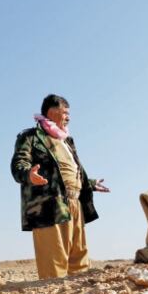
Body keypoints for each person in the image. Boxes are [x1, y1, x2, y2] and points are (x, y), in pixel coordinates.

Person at [10, 94, 109, 279]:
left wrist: (91, 184)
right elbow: (19, 164)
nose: (68, 117)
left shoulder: (66, 141)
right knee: (53, 265)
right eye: (65, 112)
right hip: (49, 204)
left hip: (75, 203)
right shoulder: (31, 137)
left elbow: (71, 170)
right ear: (52, 112)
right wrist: (29, 175)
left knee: (79, 261)